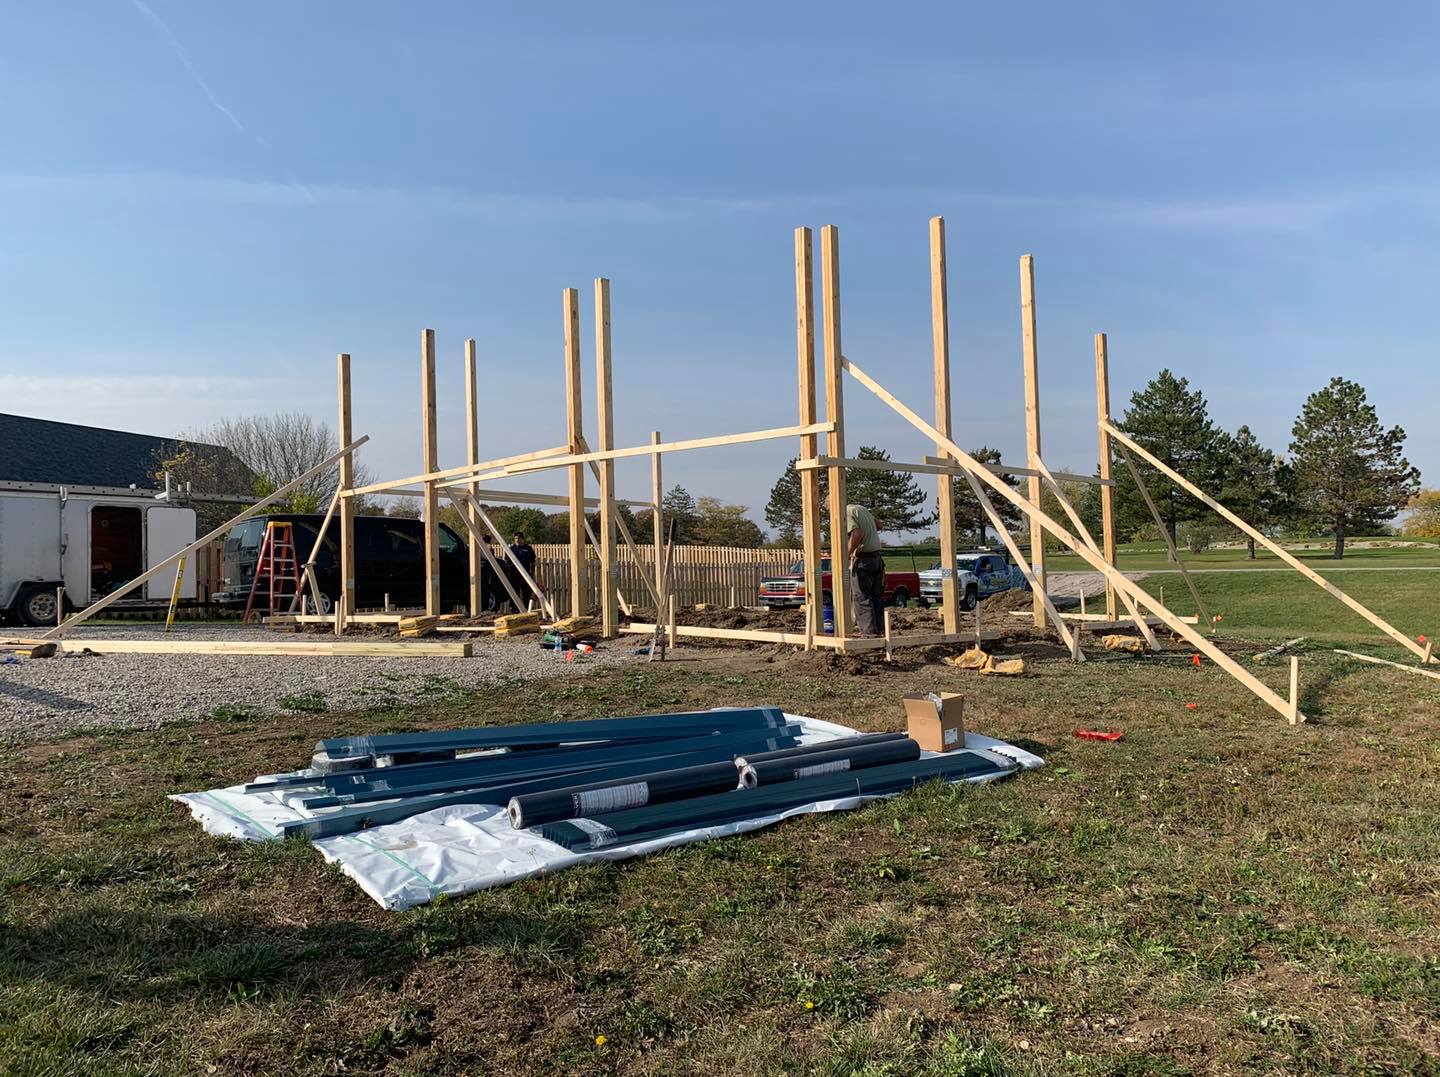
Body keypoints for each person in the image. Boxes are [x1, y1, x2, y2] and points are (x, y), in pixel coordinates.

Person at [846, 503, 886, 637]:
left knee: (861, 598)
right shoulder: (861, 509)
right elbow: (879, 525)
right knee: (875, 597)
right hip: (876, 559)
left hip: (864, 561)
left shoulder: (845, 512)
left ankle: (869, 634)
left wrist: (846, 553)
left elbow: (857, 534)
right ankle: (880, 630)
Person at [508, 531, 539, 609]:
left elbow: (533, 562)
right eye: (515, 538)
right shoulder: (511, 549)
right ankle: (514, 609)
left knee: (527, 593)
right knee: (515, 592)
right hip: (515, 575)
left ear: (523, 539)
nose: (517, 540)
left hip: (526, 574)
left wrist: (532, 573)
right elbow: (507, 562)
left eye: (519, 538)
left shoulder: (528, 548)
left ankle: (527, 609)